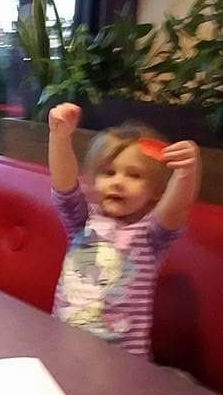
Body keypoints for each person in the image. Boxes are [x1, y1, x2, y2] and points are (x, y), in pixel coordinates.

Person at [48, 102, 201, 357]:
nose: (118, 182)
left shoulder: (150, 235)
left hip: (123, 362)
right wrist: (59, 137)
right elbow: (63, 186)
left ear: (155, 191)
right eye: (109, 172)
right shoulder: (83, 221)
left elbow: (176, 210)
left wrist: (187, 172)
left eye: (134, 175)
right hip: (65, 349)